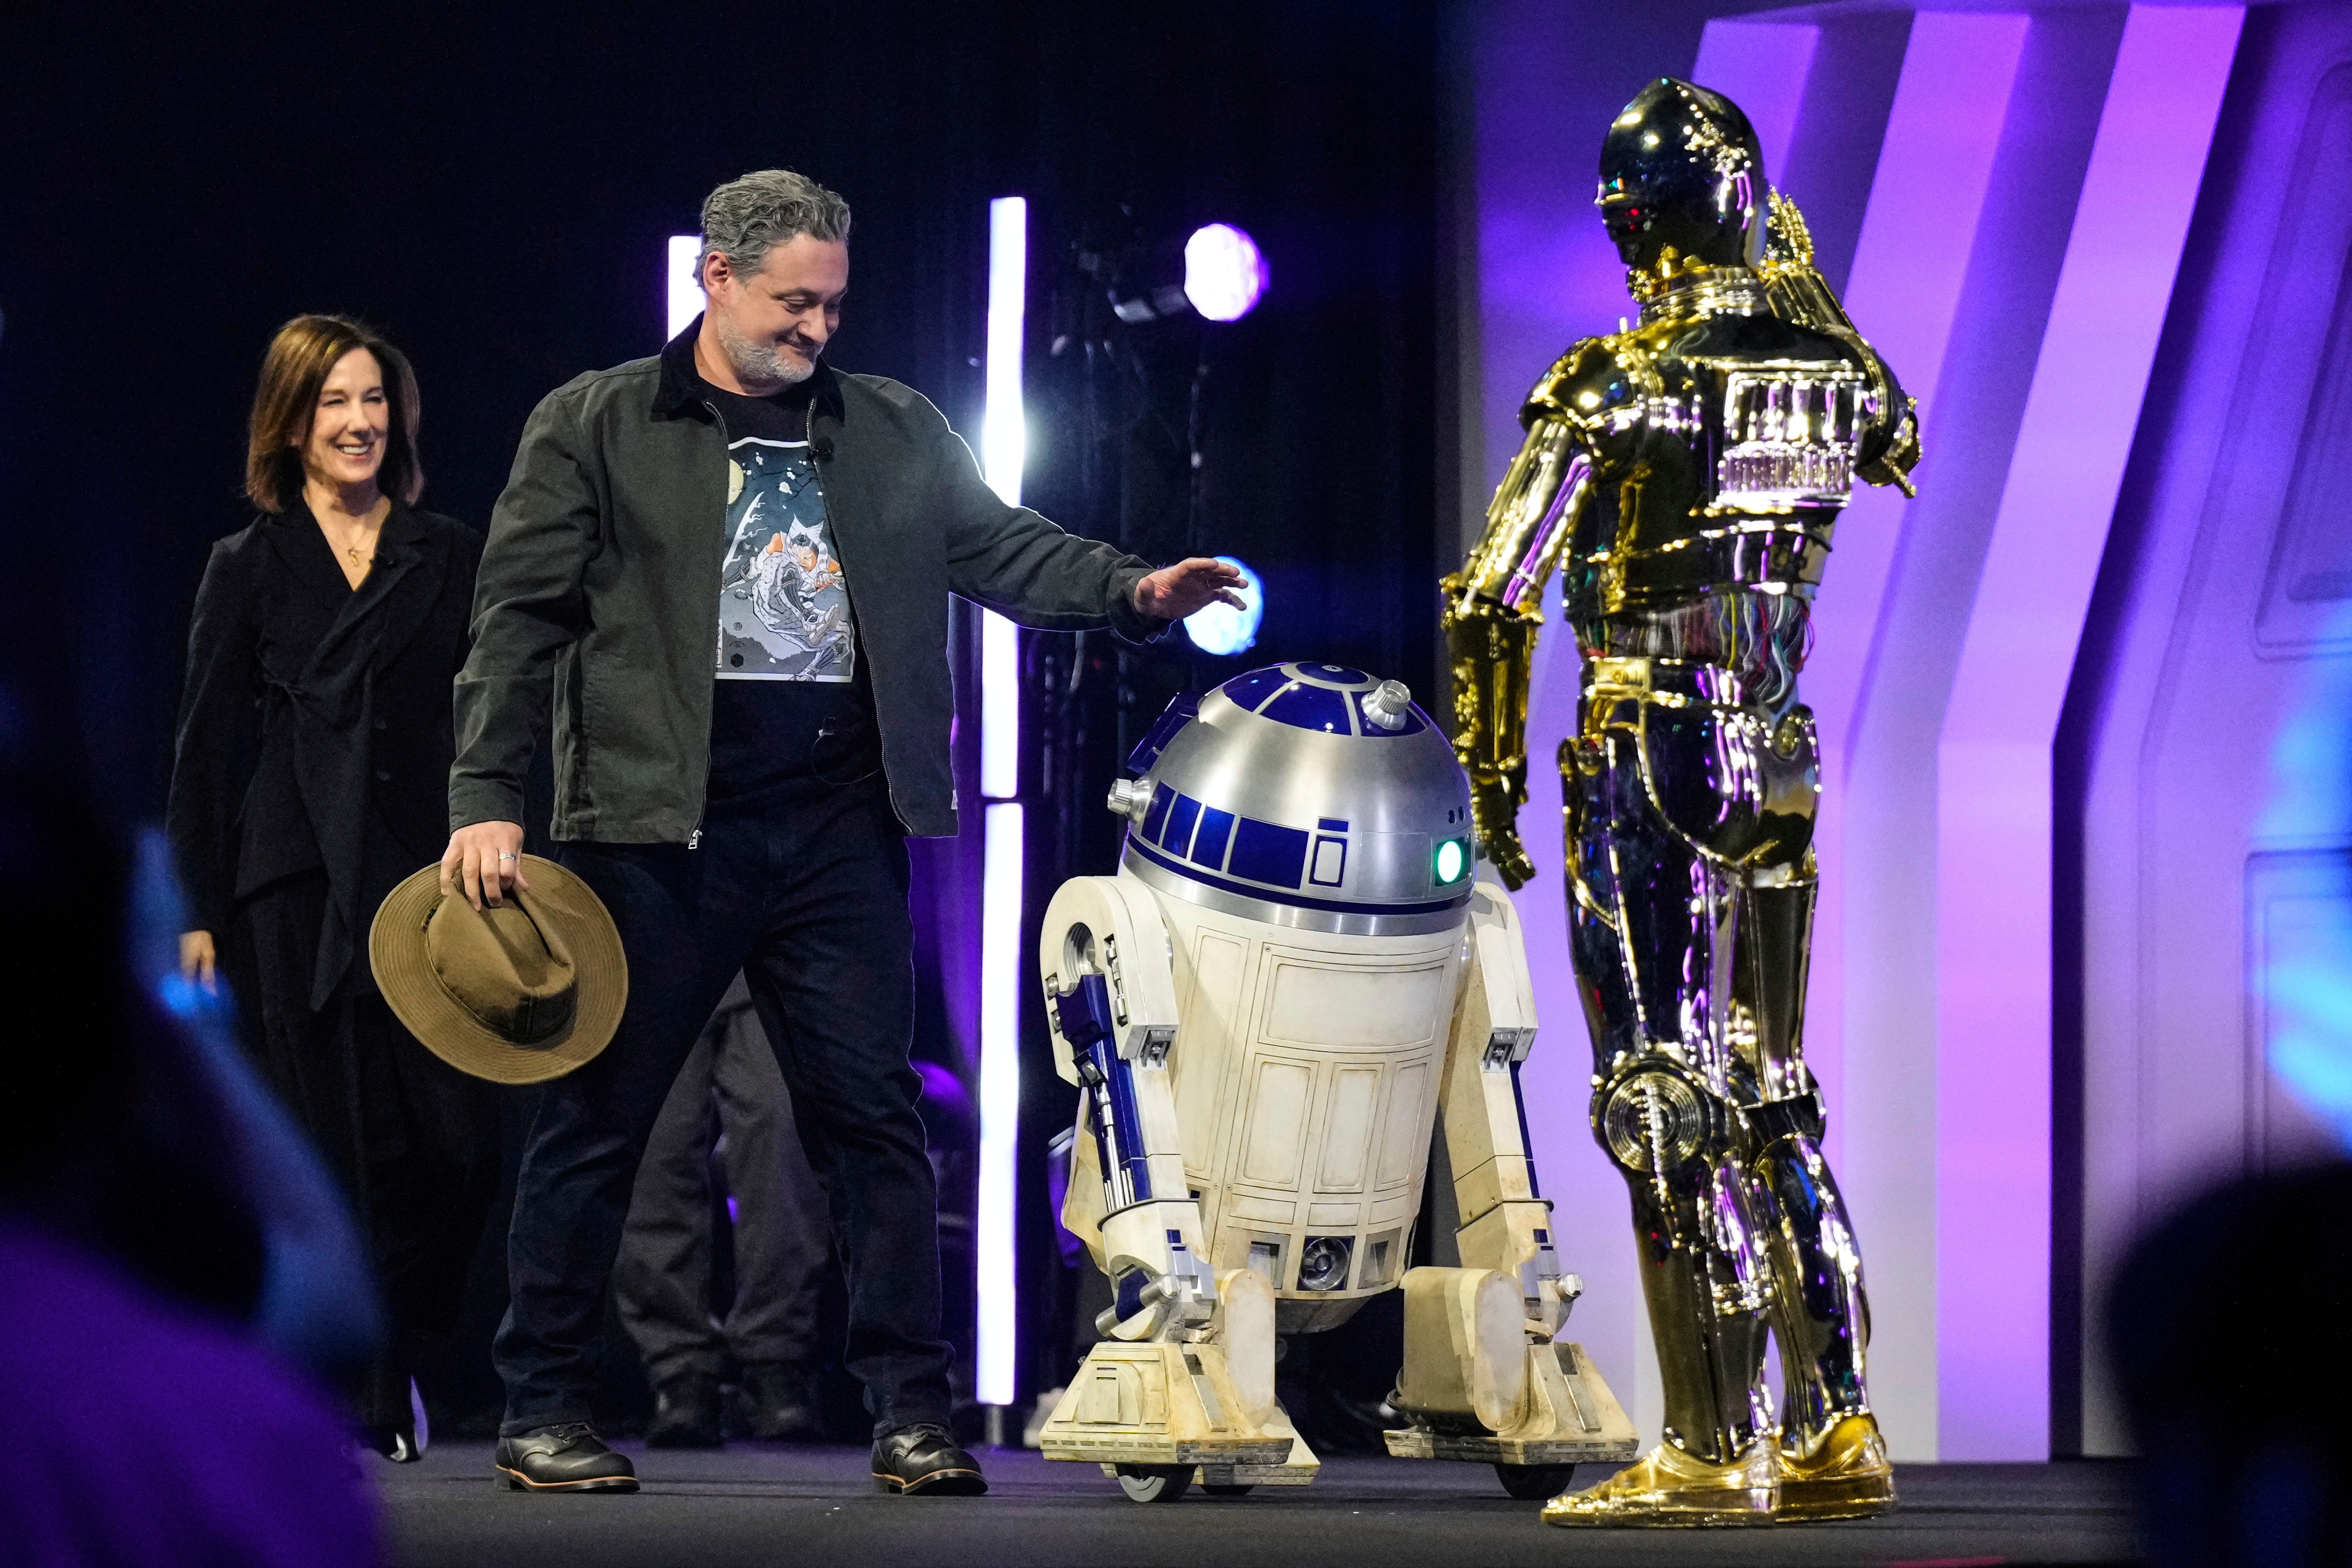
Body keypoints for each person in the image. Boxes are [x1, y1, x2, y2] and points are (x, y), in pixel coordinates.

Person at [444, 167, 1243, 1497]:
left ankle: (912, 1413)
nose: (817, 327)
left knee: (873, 1121)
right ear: (716, 278)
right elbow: (515, 620)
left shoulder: (889, 425)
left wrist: (1131, 590)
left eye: (832, 305)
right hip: (654, 827)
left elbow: (1000, 546)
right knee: (598, 1120)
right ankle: (543, 1405)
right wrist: (486, 798)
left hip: (834, 823)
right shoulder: (597, 421)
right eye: (793, 303)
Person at [1444, 79, 1921, 1526]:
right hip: (1778, 744)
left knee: (1657, 1090)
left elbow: (1491, 593)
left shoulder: (1619, 379)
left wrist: (1491, 781)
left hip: (1649, 737)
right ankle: (1836, 1426)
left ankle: (1711, 1442)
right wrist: (1793, 276)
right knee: (1771, 1087)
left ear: (1630, 221)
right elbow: (1890, 431)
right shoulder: (1836, 366)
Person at [167, 314, 500, 1461]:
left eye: (373, 399)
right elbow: (205, 750)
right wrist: (198, 911)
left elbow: (490, 709)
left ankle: (395, 1334)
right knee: (339, 1144)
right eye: (333, 403)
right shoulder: (249, 563)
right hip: (294, 881)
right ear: (292, 423)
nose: (358, 422)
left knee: (459, 1150)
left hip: (428, 881)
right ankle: (371, 1389)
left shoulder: (447, 551)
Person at [617, 973, 834, 1447]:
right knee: (658, 1154)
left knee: (785, 1136)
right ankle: (679, 1370)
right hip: (653, 959)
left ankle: (776, 1358)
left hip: (764, 960)